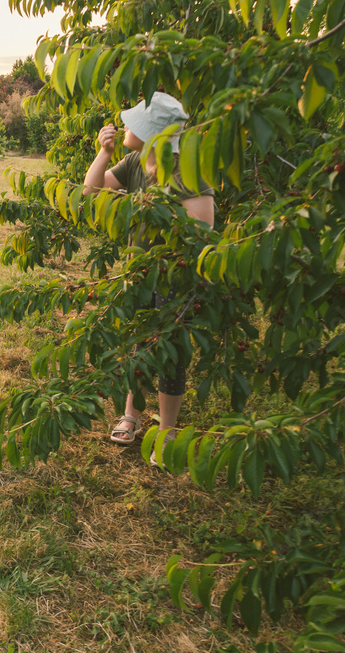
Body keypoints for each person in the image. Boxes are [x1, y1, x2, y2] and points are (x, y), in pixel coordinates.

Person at [82, 92, 215, 461]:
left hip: (173, 277)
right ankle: (131, 414)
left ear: (154, 133)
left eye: (134, 123)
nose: (126, 126)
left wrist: (154, 211)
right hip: (137, 272)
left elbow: (203, 231)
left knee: (169, 351)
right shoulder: (134, 161)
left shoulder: (187, 170)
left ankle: (168, 431)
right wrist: (103, 153)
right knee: (137, 344)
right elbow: (90, 192)